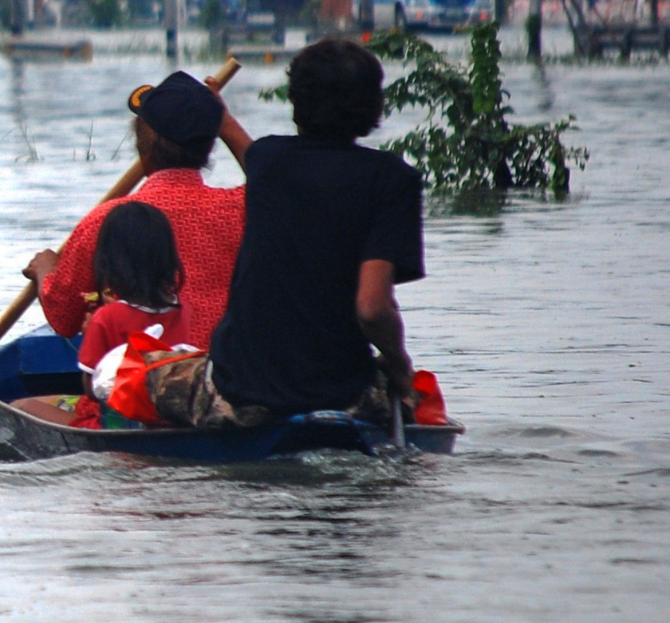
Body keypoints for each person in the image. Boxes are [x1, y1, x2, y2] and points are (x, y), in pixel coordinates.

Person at [149, 39, 423, 428]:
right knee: (402, 393)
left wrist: (219, 114)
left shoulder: (269, 162)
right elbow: (375, 310)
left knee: (142, 371)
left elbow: (371, 306)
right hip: (342, 396)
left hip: (237, 392)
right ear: (375, 107)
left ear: (295, 102)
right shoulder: (394, 180)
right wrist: (400, 366)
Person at [24, 72, 254, 352]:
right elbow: (272, 182)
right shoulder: (245, 208)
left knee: (28, 401)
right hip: (226, 380)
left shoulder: (108, 220)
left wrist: (45, 271)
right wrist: (225, 122)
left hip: (143, 387)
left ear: (146, 143)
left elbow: (64, 318)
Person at [66, 202, 195, 430]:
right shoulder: (184, 309)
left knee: (26, 405)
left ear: (109, 263)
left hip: (120, 423)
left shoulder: (106, 317)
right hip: (171, 419)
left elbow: (91, 388)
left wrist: (90, 335)